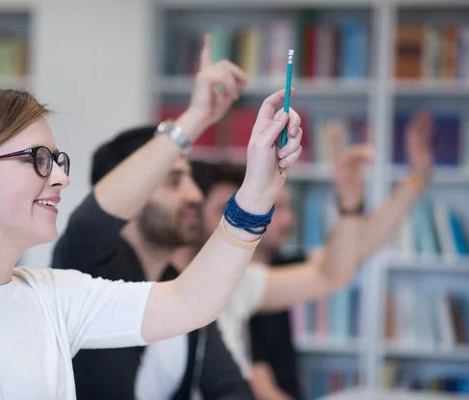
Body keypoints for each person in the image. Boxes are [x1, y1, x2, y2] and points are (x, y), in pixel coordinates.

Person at [0, 36, 305, 398]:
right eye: (36, 159)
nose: (60, 176)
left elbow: (189, 301)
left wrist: (257, 190)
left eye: (58, 159)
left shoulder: (49, 295)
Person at [49, 37, 304, 399]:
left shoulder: (179, 287)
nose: (195, 195)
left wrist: (261, 187)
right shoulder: (86, 264)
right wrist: (197, 116)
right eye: (173, 180)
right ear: (131, 192)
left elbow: (231, 390)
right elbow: (92, 220)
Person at [174, 111, 435, 400]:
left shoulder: (260, 275)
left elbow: (347, 259)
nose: (288, 219)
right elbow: (261, 391)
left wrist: (409, 183)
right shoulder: (217, 286)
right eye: (276, 207)